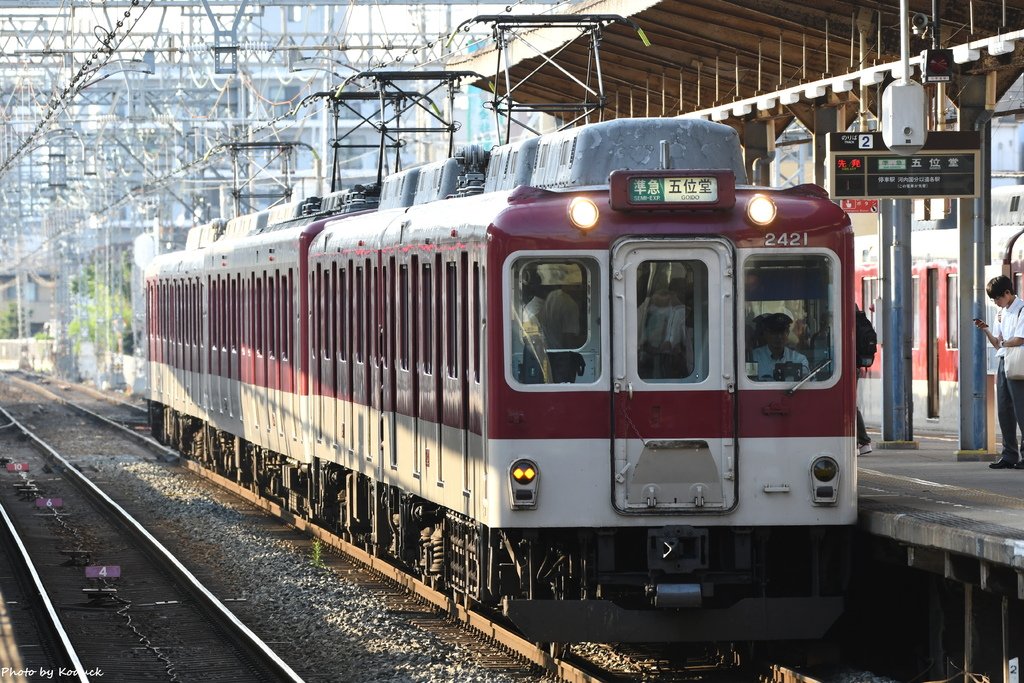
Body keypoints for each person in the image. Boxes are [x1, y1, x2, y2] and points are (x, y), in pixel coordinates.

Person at [975, 274, 1024, 469]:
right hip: (1003, 362)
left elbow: (1020, 339)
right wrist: (986, 330)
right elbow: (998, 344)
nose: (996, 303)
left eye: (997, 298)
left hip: (1019, 363)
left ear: (1007, 292)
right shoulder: (1001, 314)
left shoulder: (1022, 309)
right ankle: (1009, 455)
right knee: (1004, 410)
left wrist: (1003, 342)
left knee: (1021, 410)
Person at [638, 285, 689, 379]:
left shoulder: (679, 311)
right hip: (649, 352)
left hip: (670, 354)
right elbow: (642, 330)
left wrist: (671, 342)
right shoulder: (646, 310)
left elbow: (677, 332)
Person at [751, 312, 809, 381]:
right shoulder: (754, 358)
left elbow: (806, 386)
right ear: (766, 334)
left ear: (787, 333)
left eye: (782, 332)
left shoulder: (799, 360)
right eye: (774, 332)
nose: (779, 337)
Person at [854, 305, 875, 455]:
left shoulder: (848, 324)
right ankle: (861, 441)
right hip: (855, 367)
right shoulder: (861, 322)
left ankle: (863, 440)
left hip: (847, 368)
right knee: (851, 404)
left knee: (849, 406)